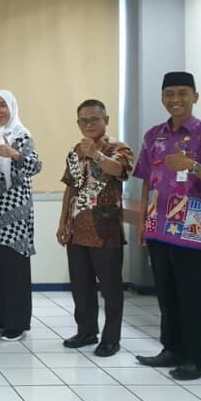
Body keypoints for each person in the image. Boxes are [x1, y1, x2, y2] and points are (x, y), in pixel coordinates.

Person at [132, 72, 201, 380]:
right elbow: (147, 180)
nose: (175, 99)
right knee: (167, 294)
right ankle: (173, 349)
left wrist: (192, 165)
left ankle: (199, 359)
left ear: (195, 96)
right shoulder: (153, 135)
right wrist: (142, 222)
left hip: (192, 229)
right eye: (169, 94)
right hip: (158, 225)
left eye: (182, 93)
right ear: (162, 98)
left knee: (194, 296)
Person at [56, 100, 134, 357]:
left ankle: (111, 338)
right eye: (84, 121)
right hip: (77, 229)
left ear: (106, 120)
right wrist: (62, 222)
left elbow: (119, 170)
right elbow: (71, 188)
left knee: (110, 288)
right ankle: (86, 331)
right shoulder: (75, 151)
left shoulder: (119, 148)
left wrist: (97, 155)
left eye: (94, 119)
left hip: (105, 230)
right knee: (81, 286)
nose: (89, 125)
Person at [0, 89, 42, 342]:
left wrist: (15, 154)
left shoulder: (21, 135)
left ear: (12, 107)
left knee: (13, 266)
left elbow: (35, 165)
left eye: (2, 105)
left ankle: (16, 324)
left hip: (14, 212)